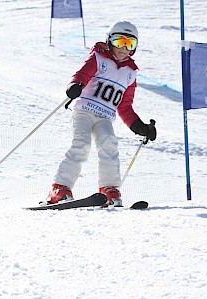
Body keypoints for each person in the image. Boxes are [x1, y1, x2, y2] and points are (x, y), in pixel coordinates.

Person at [46, 21, 157, 207]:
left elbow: (125, 106)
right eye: (119, 41)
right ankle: (60, 188)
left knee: (109, 146)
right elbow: (82, 74)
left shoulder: (130, 74)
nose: (123, 48)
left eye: (129, 44)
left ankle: (109, 189)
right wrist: (75, 85)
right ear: (109, 40)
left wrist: (140, 127)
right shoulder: (98, 58)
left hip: (105, 117)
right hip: (84, 111)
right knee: (81, 144)